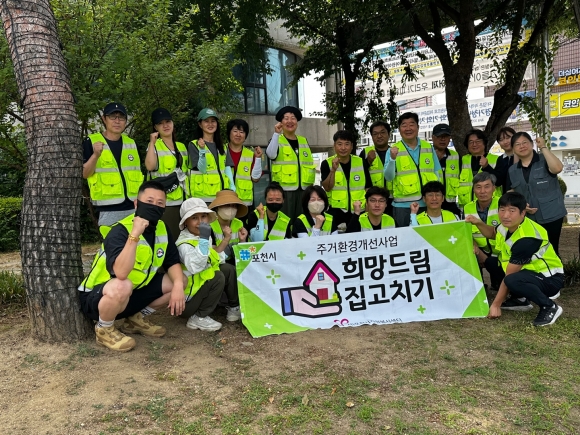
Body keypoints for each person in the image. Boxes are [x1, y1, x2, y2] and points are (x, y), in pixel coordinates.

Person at [78, 181, 186, 352]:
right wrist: (135, 234)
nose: (154, 206)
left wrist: (179, 286)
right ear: (137, 204)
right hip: (98, 297)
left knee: (179, 280)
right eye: (149, 201)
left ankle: (135, 319)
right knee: (123, 284)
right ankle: (104, 329)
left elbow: (172, 262)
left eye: (160, 203)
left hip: (132, 293)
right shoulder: (119, 230)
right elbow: (120, 273)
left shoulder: (162, 229)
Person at [466, 192, 564, 327]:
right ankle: (520, 299)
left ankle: (549, 306)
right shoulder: (506, 226)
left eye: (512, 211)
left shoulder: (527, 237)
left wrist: (496, 305)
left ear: (523, 213)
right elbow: (492, 233)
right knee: (491, 263)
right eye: (502, 210)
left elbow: (510, 275)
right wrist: (478, 222)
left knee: (512, 279)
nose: (505, 215)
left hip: (550, 279)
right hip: (528, 272)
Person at [82, 102, 144, 227]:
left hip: (134, 207)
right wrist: (95, 155)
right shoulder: (91, 141)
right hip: (107, 209)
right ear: (104, 119)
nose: (117, 121)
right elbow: (85, 174)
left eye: (121, 117)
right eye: (112, 117)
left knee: (136, 240)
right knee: (112, 240)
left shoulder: (131, 143)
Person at [506, 133, 566, 256]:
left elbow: (557, 168)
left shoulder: (544, 160)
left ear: (532, 144)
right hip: (530, 218)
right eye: (517, 144)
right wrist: (522, 205)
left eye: (525, 142)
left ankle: (556, 269)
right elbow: (512, 192)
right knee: (534, 251)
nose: (522, 146)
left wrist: (543, 147)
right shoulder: (512, 170)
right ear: (513, 149)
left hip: (552, 214)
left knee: (552, 249)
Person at [176, 198, 231, 331]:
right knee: (217, 276)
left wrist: (226, 241)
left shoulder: (201, 236)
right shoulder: (184, 244)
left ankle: (234, 307)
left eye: (203, 216)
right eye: (194, 218)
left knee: (227, 269)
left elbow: (213, 258)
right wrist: (204, 239)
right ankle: (199, 317)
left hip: (199, 293)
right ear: (185, 222)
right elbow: (196, 266)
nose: (200, 222)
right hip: (187, 303)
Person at [383, 112, 441, 227]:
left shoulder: (428, 147)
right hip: (403, 206)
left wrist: (436, 199)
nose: (408, 128)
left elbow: (437, 175)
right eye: (404, 125)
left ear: (418, 127)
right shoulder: (393, 150)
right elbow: (388, 177)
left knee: (427, 236)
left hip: (427, 204)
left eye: (411, 124)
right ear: (399, 130)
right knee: (405, 237)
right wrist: (392, 159)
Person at [266, 106, 315, 222]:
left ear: (297, 122)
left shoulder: (303, 141)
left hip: (304, 190)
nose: (290, 121)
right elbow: (271, 154)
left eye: (293, 118)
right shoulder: (276, 139)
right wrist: (276, 134)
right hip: (284, 191)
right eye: (286, 118)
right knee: (285, 222)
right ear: (281, 122)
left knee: (303, 222)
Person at [144, 108, 189, 237]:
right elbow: (150, 166)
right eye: (160, 123)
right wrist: (152, 143)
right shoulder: (154, 145)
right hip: (164, 202)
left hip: (183, 201)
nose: (165, 126)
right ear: (155, 127)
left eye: (168, 121)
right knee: (168, 238)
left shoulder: (181, 146)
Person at [208, 190, 248, 321]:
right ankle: (233, 306)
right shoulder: (209, 225)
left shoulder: (239, 223)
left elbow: (243, 252)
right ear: (217, 208)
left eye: (234, 206)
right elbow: (213, 253)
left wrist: (242, 241)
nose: (230, 209)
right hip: (215, 263)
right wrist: (226, 239)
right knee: (229, 270)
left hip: (234, 259)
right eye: (226, 206)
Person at [321, 130, 371, 226]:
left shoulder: (360, 162)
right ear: (334, 146)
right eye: (339, 144)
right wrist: (333, 170)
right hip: (336, 210)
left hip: (359, 209)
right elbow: (327, 188)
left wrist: (368, 209)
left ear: (352, 146)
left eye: (347, 144)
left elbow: (368, 187)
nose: (343, 148)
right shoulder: (326, 163)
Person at [463, 172, 502, 290]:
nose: (482, 191)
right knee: (467, 252)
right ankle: (478, 286)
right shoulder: (467, 207)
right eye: (478, 187)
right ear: (473, 190)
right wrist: (475, 247)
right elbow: (465, 232)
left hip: (500, 251)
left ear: (494, 188)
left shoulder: (502, 204)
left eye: (487, 186)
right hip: (479, 250)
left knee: (499, 286)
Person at [187, 108, 233, 203]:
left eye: (213, 121)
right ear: (200, 124)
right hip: (202, 199)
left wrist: (232, 187)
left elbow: (227, 168)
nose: (210, 124)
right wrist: (202, 150)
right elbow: (202, 169)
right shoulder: (194, 144)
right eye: (206, 121)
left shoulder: (223, 146)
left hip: (221, 197)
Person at [457, 129, 500, 209]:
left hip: (491, 207)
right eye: (471, 142)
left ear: (484, 143)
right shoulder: (462, 160)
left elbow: (499, 181)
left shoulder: (496, 159)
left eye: (478, 141)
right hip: (466, 207)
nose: (474, 144)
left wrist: (487, 167)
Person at [225, 119, 263, 209]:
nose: (238, 134)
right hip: (224, 201)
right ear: (229, 133)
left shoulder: (251, 154)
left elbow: (255, 179)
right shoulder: (220, 151)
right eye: (235, 131)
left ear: (245, 135)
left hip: (244, 203)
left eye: (242, 132)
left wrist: (258, 158)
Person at [360, 120, 393, 215]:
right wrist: (367, 162)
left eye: (382, 132)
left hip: (393, 199)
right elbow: (359, 175)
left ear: (389, 134)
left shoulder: (395, 152)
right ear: (372, 136)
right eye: (375, 134)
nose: (379, 136)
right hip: (374, 201)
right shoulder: (365, 152)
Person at [432, 123, 461, 216]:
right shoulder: (425, 155)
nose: (443, 139)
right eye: (439, 136)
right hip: (431, 203)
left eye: (446, 136)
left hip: (450, 204)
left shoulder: (455, 156)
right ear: (433, 137)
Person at [493, 126, 517, 194]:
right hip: (506, 196)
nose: (505, 142)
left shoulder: (523, 156)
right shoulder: (500, 159)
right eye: (501, 140)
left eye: (508, 138)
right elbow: (498, 181)